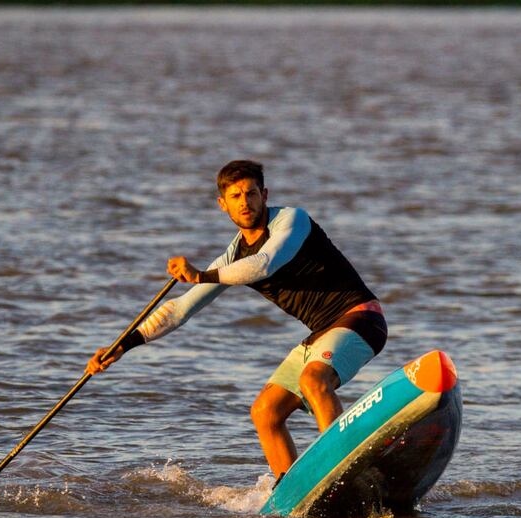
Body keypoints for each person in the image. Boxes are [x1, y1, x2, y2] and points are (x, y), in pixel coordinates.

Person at [86, 160, 386, 481]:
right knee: (265, 412)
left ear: (264, 194)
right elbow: (180, 309)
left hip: (361, 318)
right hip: (322, 333)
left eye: (251, 193)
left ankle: (341, 470)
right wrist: (123, 345)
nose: (245, 202)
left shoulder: (292, 220)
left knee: (313, 380)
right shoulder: (232, 256)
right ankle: (291, 491)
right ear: (223, 204)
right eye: (235, 196)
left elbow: (264, 265)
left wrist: (201, 274)